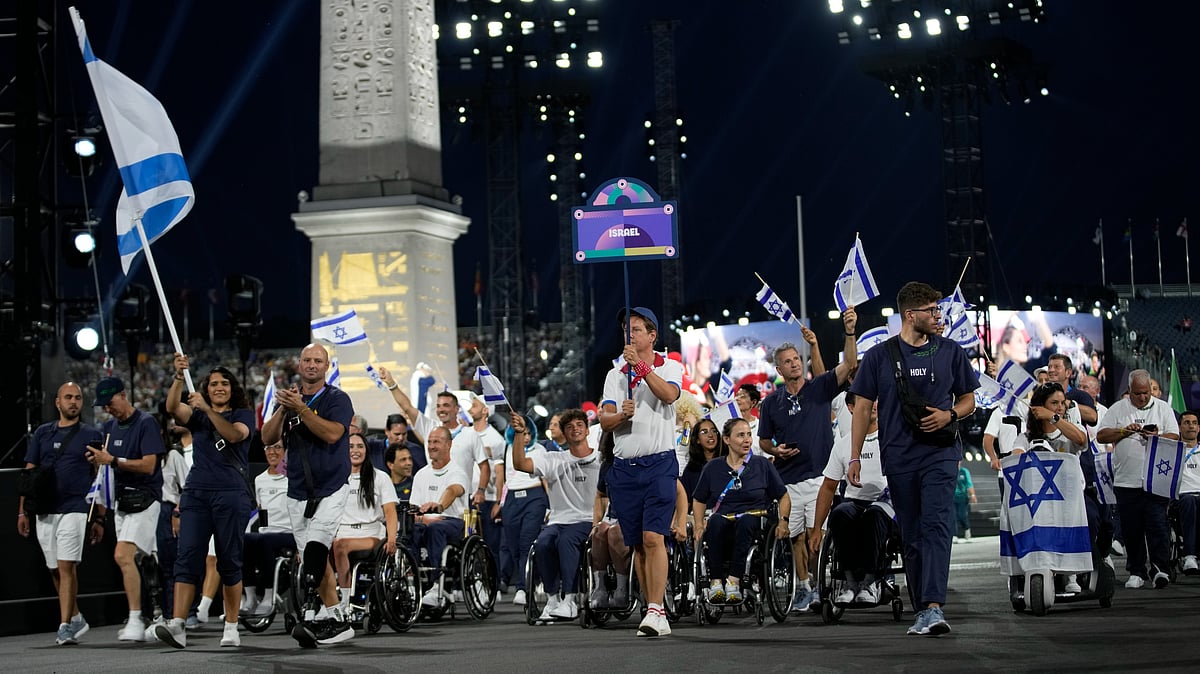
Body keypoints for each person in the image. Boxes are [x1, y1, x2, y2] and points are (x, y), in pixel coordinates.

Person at [849, 281, 979, 636]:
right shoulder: (879, 356)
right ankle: (922, 606)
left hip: (941, 453)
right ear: (911, 315)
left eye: (939, 310)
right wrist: (855, 456)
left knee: (937, 525)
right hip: (899, 456)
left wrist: (950, 415)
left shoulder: (951, 351)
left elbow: (969, 399)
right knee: (913, 534)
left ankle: (933, 606)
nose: (939, 317)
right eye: (932, 311)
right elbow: (861, 408)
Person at [757, 308, 858, 613]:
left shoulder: (818, 389)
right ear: (779, 369)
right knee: (795, 538)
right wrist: (776, 452)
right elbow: (763, 440)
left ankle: (817, 584)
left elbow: (850, 364)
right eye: (788, 361)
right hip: (788, 481)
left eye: (797, 359)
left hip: (819, 477)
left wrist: (849, 332)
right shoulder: (771, 403)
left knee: (818, 536)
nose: (795, 364)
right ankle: (804, 588)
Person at [155, 358, 254, 649]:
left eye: (224, 383)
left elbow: (235, 434)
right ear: (206, 389)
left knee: (229, 561)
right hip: (197, 494)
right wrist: (176, 377)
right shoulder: (196, 416)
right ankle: (178, 625)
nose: (219, 387)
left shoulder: (244, 414)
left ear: (232, 388)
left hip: (231, 494)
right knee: (186, 559)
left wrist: (207, 409)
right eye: (213, 384)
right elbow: (173, 408)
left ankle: (232, 626)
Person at [260, 343, 355, 647]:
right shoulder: (290, 400)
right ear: (299, 364)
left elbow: (332, 434)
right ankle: (337, 619)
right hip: (297, 490)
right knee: (315, 562)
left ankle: (315, 609)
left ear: (326, 366)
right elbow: (267, 438)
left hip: (331, 487)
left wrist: (301, 409)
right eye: (307, 360)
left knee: (315, 550)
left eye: (318, 360)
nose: (312, 365)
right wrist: (283, 409)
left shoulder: (337, 399)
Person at [600, 306, 684, 637]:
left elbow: (669, 395)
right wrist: (620, 416)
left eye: (636, 329)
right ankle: (653, 607)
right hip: (624, 468)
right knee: (636, 543)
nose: (629, 334)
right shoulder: (614, 375)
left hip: (660, 464)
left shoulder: (670, 366)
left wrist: (642, 367)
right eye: (626, 329)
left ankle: (656, 609)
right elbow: (605, 421)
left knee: (653, 537)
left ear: (652, 335)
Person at [18, 382, 104, 645]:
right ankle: (76, 617)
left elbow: (99, 476)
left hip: (75, 507)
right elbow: (29, 473)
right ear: (58, 402)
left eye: (78, 397)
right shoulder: (42, 433)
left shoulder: (92, 434)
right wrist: (22, 511)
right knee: (54, 568)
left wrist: (99, 516)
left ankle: (65, 625)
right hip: (45, 509)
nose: (73, 402)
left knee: (66, 566)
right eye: (68, 397)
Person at [87, 376, 166, 643]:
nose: (108, 409)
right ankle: (155, 613)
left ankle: (134, 617)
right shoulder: (109, 427)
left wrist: (114, 460)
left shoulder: (146, 423)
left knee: (122, 555)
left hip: (145, 499)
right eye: (104, 406)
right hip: (121, 502)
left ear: (122, 395)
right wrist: (99, 461)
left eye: (110, 403)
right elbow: (107, 467)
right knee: (142, 560)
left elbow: (148, 466)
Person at [509, 409, 601, 620]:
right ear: (564, 435)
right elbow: (520, 464)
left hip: (587, 520)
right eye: (569, 427)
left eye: (579, 425)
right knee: (542, 543)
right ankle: (552, 600)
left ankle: (570, 600)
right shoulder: (553, 459)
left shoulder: (601, 459)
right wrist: (518, 434)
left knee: (566, 540)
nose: (575, 429)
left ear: (587, 430)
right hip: (559, 520)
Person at [1095, 369, 1181, 589]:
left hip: (1155, 480)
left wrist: (1156, 437)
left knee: (1158, 526)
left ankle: (1161, 569)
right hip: (1125, 480)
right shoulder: (1118, 408)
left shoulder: (1163, 408)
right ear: (1129, 391)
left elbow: (1175, 436)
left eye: (1146, 393)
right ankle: (1136, 571)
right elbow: (1102, 435)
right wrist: (1124, 431)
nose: (1143, 397)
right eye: (1138, 393)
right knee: (1131, 529)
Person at [692, 418, 790, 604]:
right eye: (740, 435)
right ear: (727, 440)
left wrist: (783, 521)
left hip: (755, 523)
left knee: (746, 521)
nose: (747, 440)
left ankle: (734, 581)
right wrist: (698, 524)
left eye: (749, 435)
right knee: (715, 521)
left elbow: (784, 496)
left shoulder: (762, 465)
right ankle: (715, 582)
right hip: (724, 521)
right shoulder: (713, 468)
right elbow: (698, 499)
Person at [1012, 381, 1094, 594]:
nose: (1060, 407)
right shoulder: (1026, 437)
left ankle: (1071, 574)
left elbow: (1081, 440)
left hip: (1070, 497)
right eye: (1054, 403)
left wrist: (1053, 418)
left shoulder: (1068, 433)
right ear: (1040, 406)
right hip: (1039, 501)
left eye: (1062, 403)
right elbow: (1016, 458)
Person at [810, 394, 891, 605]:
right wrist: (817, 528)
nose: (873, 404)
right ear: (851, 407)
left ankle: (870, 582)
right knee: (839, 514)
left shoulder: (891, 438)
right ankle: (850, 583)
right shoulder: (843, 444)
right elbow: (828, 487)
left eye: (875, 399)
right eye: (865, 401)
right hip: (854, 501)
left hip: (887, 504)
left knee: (874, 516)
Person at [378, 369, 491, 513]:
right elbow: (407, 407)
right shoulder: (430, 428)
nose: (441, 410)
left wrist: (481, 490)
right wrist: (391, 383)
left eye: (446, 406)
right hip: (430, 497)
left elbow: (484, 466)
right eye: (438, 406)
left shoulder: (470, 434)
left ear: (457, 409)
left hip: (460, 498)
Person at [331, 432, 398, 615]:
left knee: (339, 545)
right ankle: (323, 601)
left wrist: (392, 539)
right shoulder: (336, 478)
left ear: (366, 451)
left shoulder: (380, 477)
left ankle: (344, 601)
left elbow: (390, 511)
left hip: (371, 534)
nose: (355, 450)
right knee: (321, 547)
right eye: (351, 446)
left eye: (360, 446)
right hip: (342, 532)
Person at [408, 427, 469, 607]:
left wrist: (439, 506)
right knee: (410, 529)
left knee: (436, 527)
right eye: (429, 442)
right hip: (426, 522)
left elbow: (453, 490)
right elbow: (414, 508)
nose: (431, 446)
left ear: (449, 445)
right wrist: (422, 519)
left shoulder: (457, 472)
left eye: (436, 442)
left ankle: (438, 586)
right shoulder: (421, 474)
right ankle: (411, 584)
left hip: (454, 522)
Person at [497, 415, 548, 605]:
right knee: (513, 547)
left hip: (534, 496)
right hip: (511, 498)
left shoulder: (540, 450)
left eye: (528, 433)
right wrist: (500, 503)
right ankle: (528, 581)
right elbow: (505, 479)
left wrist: (550, 504)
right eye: (522, 433)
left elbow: (545, 478)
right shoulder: (508, 449)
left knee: (527, 542)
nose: (526, 437)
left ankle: (522, 587)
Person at [241, 440, 294, 616]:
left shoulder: (293, 477)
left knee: (265, 540)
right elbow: (261, 509)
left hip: (289, 533)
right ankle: (250, 596)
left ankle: (268, 595)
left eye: (277, 447)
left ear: (285, 451)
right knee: (244, 540)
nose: (272, 452)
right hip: (267, 533)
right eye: (268, 448)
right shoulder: (260, 479)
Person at [589, 431, 632, 609]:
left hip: (635, 517)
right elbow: (600, 495)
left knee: (615, 532)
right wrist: (595, 522)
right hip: (613, 514)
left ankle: (622, 588)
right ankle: (600, 587)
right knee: (599, 532)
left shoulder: (637, 462)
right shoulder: (607, 465)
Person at [469, 394, 507, 564]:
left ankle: (495, 586)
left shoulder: (495, 439)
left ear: (485, 411)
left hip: (488, 499)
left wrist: (499, 501)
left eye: (475, 405)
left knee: (490, 545)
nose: (470, 408)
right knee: (469, 542)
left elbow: (500, 473)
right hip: (468, 498)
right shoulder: (466, 434)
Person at [1175, 411, 1200, 573]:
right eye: (1187, 422)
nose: (1191, 425)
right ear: (1179, 427)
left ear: (1199, 428)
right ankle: (1189, 555)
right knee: (1190, 501)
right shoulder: (1173, 452)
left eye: (1194, 422)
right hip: (1182, 498)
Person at [679, 418, 727, 502]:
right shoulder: (691, 470)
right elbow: (685, 502)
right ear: (697, 439)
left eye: (713, 431)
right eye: (704, 432)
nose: (710, 435)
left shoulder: (728, 463)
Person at [1046, 354, 1098, 425]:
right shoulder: (1043, 395)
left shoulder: (1080, 395)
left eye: (1056, 367)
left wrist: (1067, 403)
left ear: (1068, 373)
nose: (1051, 370)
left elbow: (1093, 417)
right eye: (1049, 367)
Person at [953, 462, 977, 543]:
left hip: (962, 497)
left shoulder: (964, 471)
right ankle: (954, 535)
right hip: (952, 498)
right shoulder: (950, 471)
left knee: (962, 515)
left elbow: (969, 484)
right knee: (953, 516)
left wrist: (973, 495)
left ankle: (966, 528)